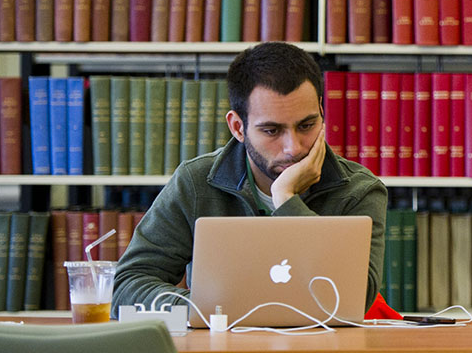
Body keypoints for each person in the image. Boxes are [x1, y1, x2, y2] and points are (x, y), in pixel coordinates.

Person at [111, 42, 387, 314]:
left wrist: (287, 201)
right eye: (271, 130)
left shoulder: (359, 190)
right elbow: (126, 288)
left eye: (306, 125)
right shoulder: (196, 182)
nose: (294, 147)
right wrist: (209, 310)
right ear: (237, 128)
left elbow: (355, 299)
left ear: (322, 113)